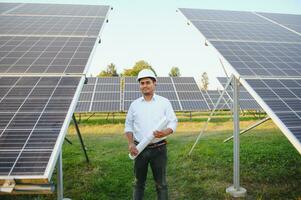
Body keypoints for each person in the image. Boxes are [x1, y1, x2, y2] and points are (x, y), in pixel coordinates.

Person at [124, 69, 178, 200]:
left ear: (154, 84)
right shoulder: (134, 105)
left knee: (161, 184)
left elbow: (173, 122)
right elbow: (128, 125)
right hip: (139, 149)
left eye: (148, 82)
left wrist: (164, 132)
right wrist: (131, 143)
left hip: (159, 149)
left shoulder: (164, 102)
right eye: (142, 83)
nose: (145, 85)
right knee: (138, 183)